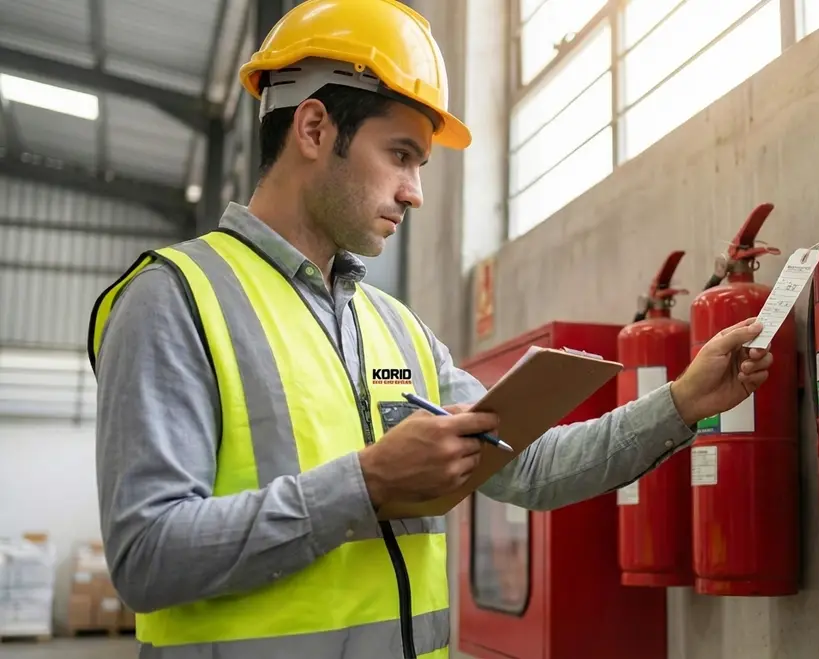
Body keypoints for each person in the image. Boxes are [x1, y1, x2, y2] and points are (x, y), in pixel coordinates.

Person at [86, 2, 775, 658]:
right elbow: (147, 554)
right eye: (401, 154)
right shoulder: (174, 300)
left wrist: (683, 401)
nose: (415, 190)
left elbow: (526, 466)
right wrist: (366, 483)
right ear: (315, 128)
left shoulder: (396, 328)